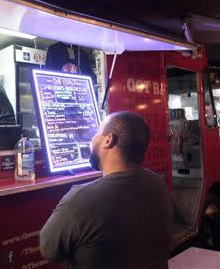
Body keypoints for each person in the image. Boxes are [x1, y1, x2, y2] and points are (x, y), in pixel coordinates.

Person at [39, 111, 173, 268]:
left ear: (108, 139)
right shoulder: (158, 184)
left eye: (97, 133)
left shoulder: (81, 199)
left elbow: (49, 250)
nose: (92, 139)